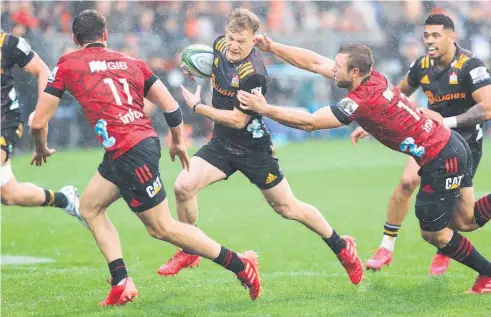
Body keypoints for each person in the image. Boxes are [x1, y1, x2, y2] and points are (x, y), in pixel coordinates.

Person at [30, 10, 261, 306]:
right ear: (105, 35)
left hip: (129, 150)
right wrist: (177, 142)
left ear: (75, 40)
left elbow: (38, 123)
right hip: (133, 144)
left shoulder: (67, 64)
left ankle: (240, 264)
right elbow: (171, 107)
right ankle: (121, 281)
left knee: (161, 228)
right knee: (90, 206)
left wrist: (40, 147)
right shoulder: (132, 62)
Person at [236, 38, 491, 294]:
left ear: (355, 72)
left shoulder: (360, 100)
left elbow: (311, 123)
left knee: (434, 233)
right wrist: (273, 47)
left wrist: (265, 109)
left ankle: (488, 275)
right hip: (452, 144)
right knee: (466, 221)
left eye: (338, 66)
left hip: (442, 158)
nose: (332, 69)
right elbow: (315, 62)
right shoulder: (373, 77)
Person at [157, 8, 363, 286]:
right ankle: (190, 248)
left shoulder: (254, 73)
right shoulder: (219, 44)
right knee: (183, 186)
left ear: (254, 40)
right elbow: (211, 66)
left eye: (241, 41)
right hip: (221, 143)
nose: (233, 45)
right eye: (231, 37)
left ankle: (341, 246)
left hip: (253, 148)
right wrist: (193, 69)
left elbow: (238, 120)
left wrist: (198, 107)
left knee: (288, 208)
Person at [353, 14, 491, 275]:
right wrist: (371, 118)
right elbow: (396, 94)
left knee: (465, 220)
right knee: (406, 183)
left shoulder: (470, 66)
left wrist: (446, 121)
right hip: (429, 138)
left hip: (466, 144)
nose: (429, 40)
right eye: (426, 35)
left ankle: (446, 247)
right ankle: (386, 246)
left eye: (436, 35)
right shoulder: (422, 65)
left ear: (452, 36)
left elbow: (487, 107)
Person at [0, 30, 80, 219]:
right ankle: (64, 199)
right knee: (9, 194)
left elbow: (42, 70)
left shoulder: (9, 43)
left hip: (4, 122)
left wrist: (40, 110)